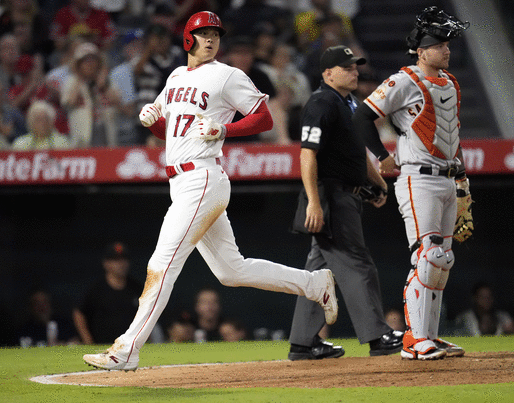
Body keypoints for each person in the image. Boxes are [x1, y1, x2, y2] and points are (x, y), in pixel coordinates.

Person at [82, 11, 337, 371]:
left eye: (215, 33)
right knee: (231, 271)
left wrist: (224, 130)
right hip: (182, 179)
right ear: (188, 38)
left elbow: (262, 117)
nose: (210, 39)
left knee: (162, 263)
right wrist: (154, 121)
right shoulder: (174, 77)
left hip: (202, 178)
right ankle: (313, 283)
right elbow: (172, 134)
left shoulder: (227, 74)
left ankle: (126, 349)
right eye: (202, 33)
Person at [352, 6, 472, 360]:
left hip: (447, 177)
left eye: (448, 44)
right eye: (440, 45)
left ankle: (429, 337)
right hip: (418, 179)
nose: (447, 50)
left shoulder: (450, 82)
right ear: (422, 51)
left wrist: (462, 177)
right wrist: (381, 155)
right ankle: (412, 340)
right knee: (429, 254)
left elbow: (453, 135)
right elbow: (363, 115)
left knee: (443, 258)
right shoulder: (404, 80)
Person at [287, 45, 402, 361]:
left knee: (318, 274)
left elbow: (357, 152)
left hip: (346, 194)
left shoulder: (349, 103)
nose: (355, 72)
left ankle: (303, 342)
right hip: (330, 197)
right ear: (328, 73)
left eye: (355, 67)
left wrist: (377, 183)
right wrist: (313, 202)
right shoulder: (321, 102)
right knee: (356, 262)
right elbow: (307, 154)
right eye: (347, 67)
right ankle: (378, 335)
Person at [73, 241, 165, 345]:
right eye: (116, 260)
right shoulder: (96, 289)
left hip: (130, 348)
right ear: (106, 263)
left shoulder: (137, 288)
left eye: (124, 260)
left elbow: (148, 315)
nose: (121, 264)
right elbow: (79, 313)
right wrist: (87, 339)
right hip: (101, 346)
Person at [60, 41, 121, 147]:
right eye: (85, 61)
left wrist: (104, 86)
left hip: (106, 133)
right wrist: (79, 78)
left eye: (93, 60)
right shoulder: (72, 81)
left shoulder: (107, 81)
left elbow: (119, 104)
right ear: (78, 64)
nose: (89, 64)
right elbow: (68, 103)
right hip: (82, 138)